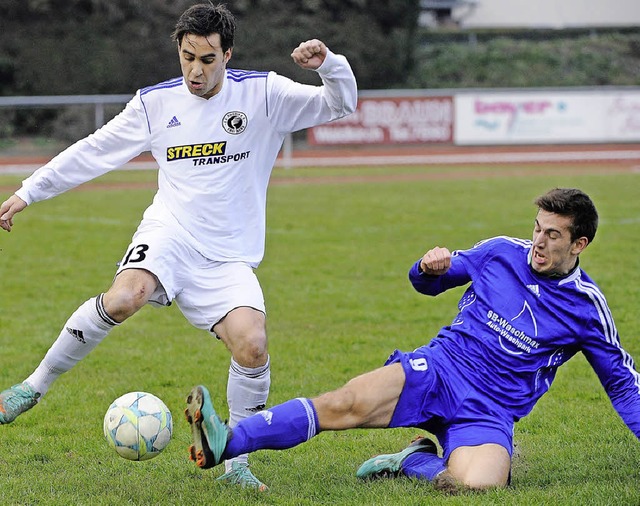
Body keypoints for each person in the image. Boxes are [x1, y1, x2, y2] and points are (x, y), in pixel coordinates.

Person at [0, 3, 357, 490]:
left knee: (252, 346)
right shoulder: (155, 104)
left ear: (227, 54)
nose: (196, 70)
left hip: (229, 256)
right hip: (169, 234)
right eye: (188, 57)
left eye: (208, 59)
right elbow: (93, 150)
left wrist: (330, 66)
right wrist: (28, 192)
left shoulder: (265, 94)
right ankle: (30, 388)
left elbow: (341, 105)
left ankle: (237, 465)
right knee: (125, 297)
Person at [184, 187, 640, 492]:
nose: (537, 242)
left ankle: (411, 460)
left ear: (578, 245)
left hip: (491, 409)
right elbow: (425, 284)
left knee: (477, 487)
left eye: (552, 235)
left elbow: (622, 384)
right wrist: (428, 268)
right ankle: (228, 441)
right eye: (537, 228)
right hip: (439, 370)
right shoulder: (501, 252)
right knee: (343, 403)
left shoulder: (587, 309)